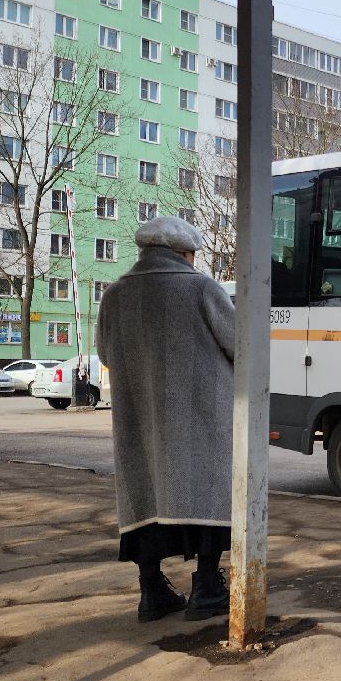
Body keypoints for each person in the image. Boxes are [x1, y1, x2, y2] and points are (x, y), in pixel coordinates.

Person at [97, 216, 235, 623]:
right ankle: (207, 586)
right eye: (193, 255)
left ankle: (151, 591)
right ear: (183, 253)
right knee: (208, 493)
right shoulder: (201, 287)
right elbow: (239, 343)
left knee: (146, 494)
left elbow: (105, 354)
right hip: (201, 414)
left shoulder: (115, 294)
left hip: (138, 416)